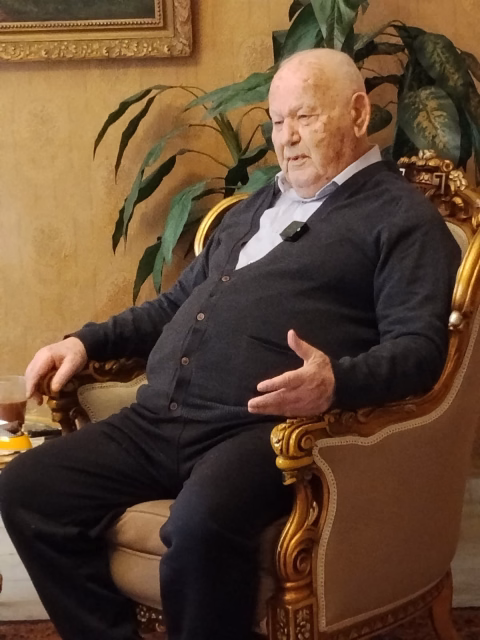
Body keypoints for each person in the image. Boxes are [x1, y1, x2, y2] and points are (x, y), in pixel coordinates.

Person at [0, 49, 460, 640]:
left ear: (357, 113)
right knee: (28, 490)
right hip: (159, 420)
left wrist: (336, 383)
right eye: (277, 121)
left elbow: (420, 350)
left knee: (199, 527)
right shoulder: (255, 207)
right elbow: (173, 305)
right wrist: (84, 344)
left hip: (262, 430)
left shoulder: (400, 217)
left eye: (305, 117)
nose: (286, 138)